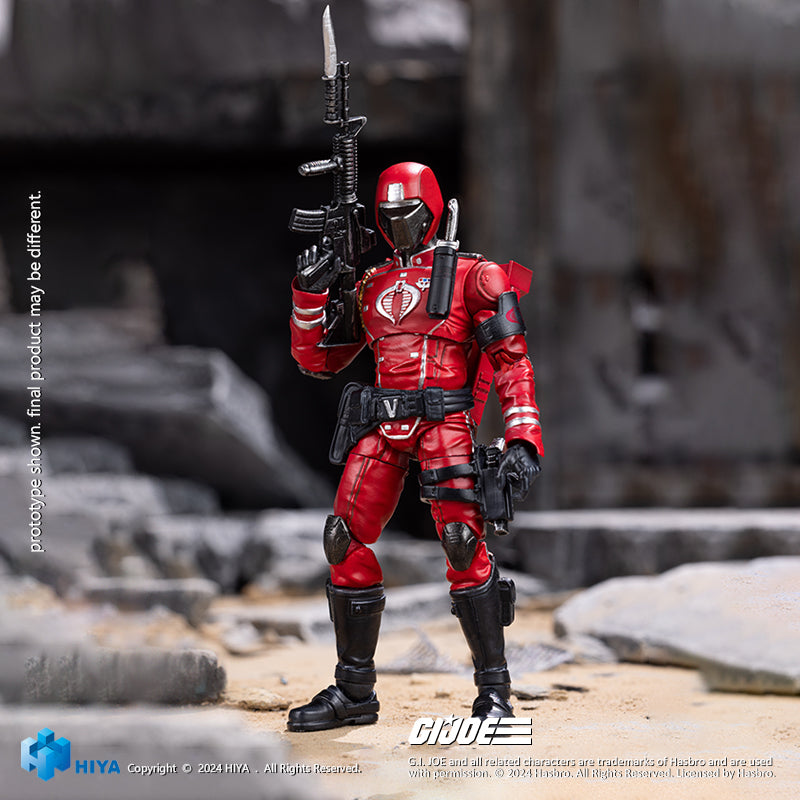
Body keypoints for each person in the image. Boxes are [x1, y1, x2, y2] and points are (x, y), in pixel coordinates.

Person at [287, 161, 542, 732]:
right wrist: (309, 295)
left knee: (462, 544)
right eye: (389, 214)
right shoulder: (370, 282)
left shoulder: (476, 276)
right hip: (383, 425)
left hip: (444, 422)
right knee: (343, 539)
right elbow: (318, 360)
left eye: (408, 212)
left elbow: (512, 361)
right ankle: (354, 691)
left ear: (432, 211)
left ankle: (494, 693)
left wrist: (522, 436)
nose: (398, 223)